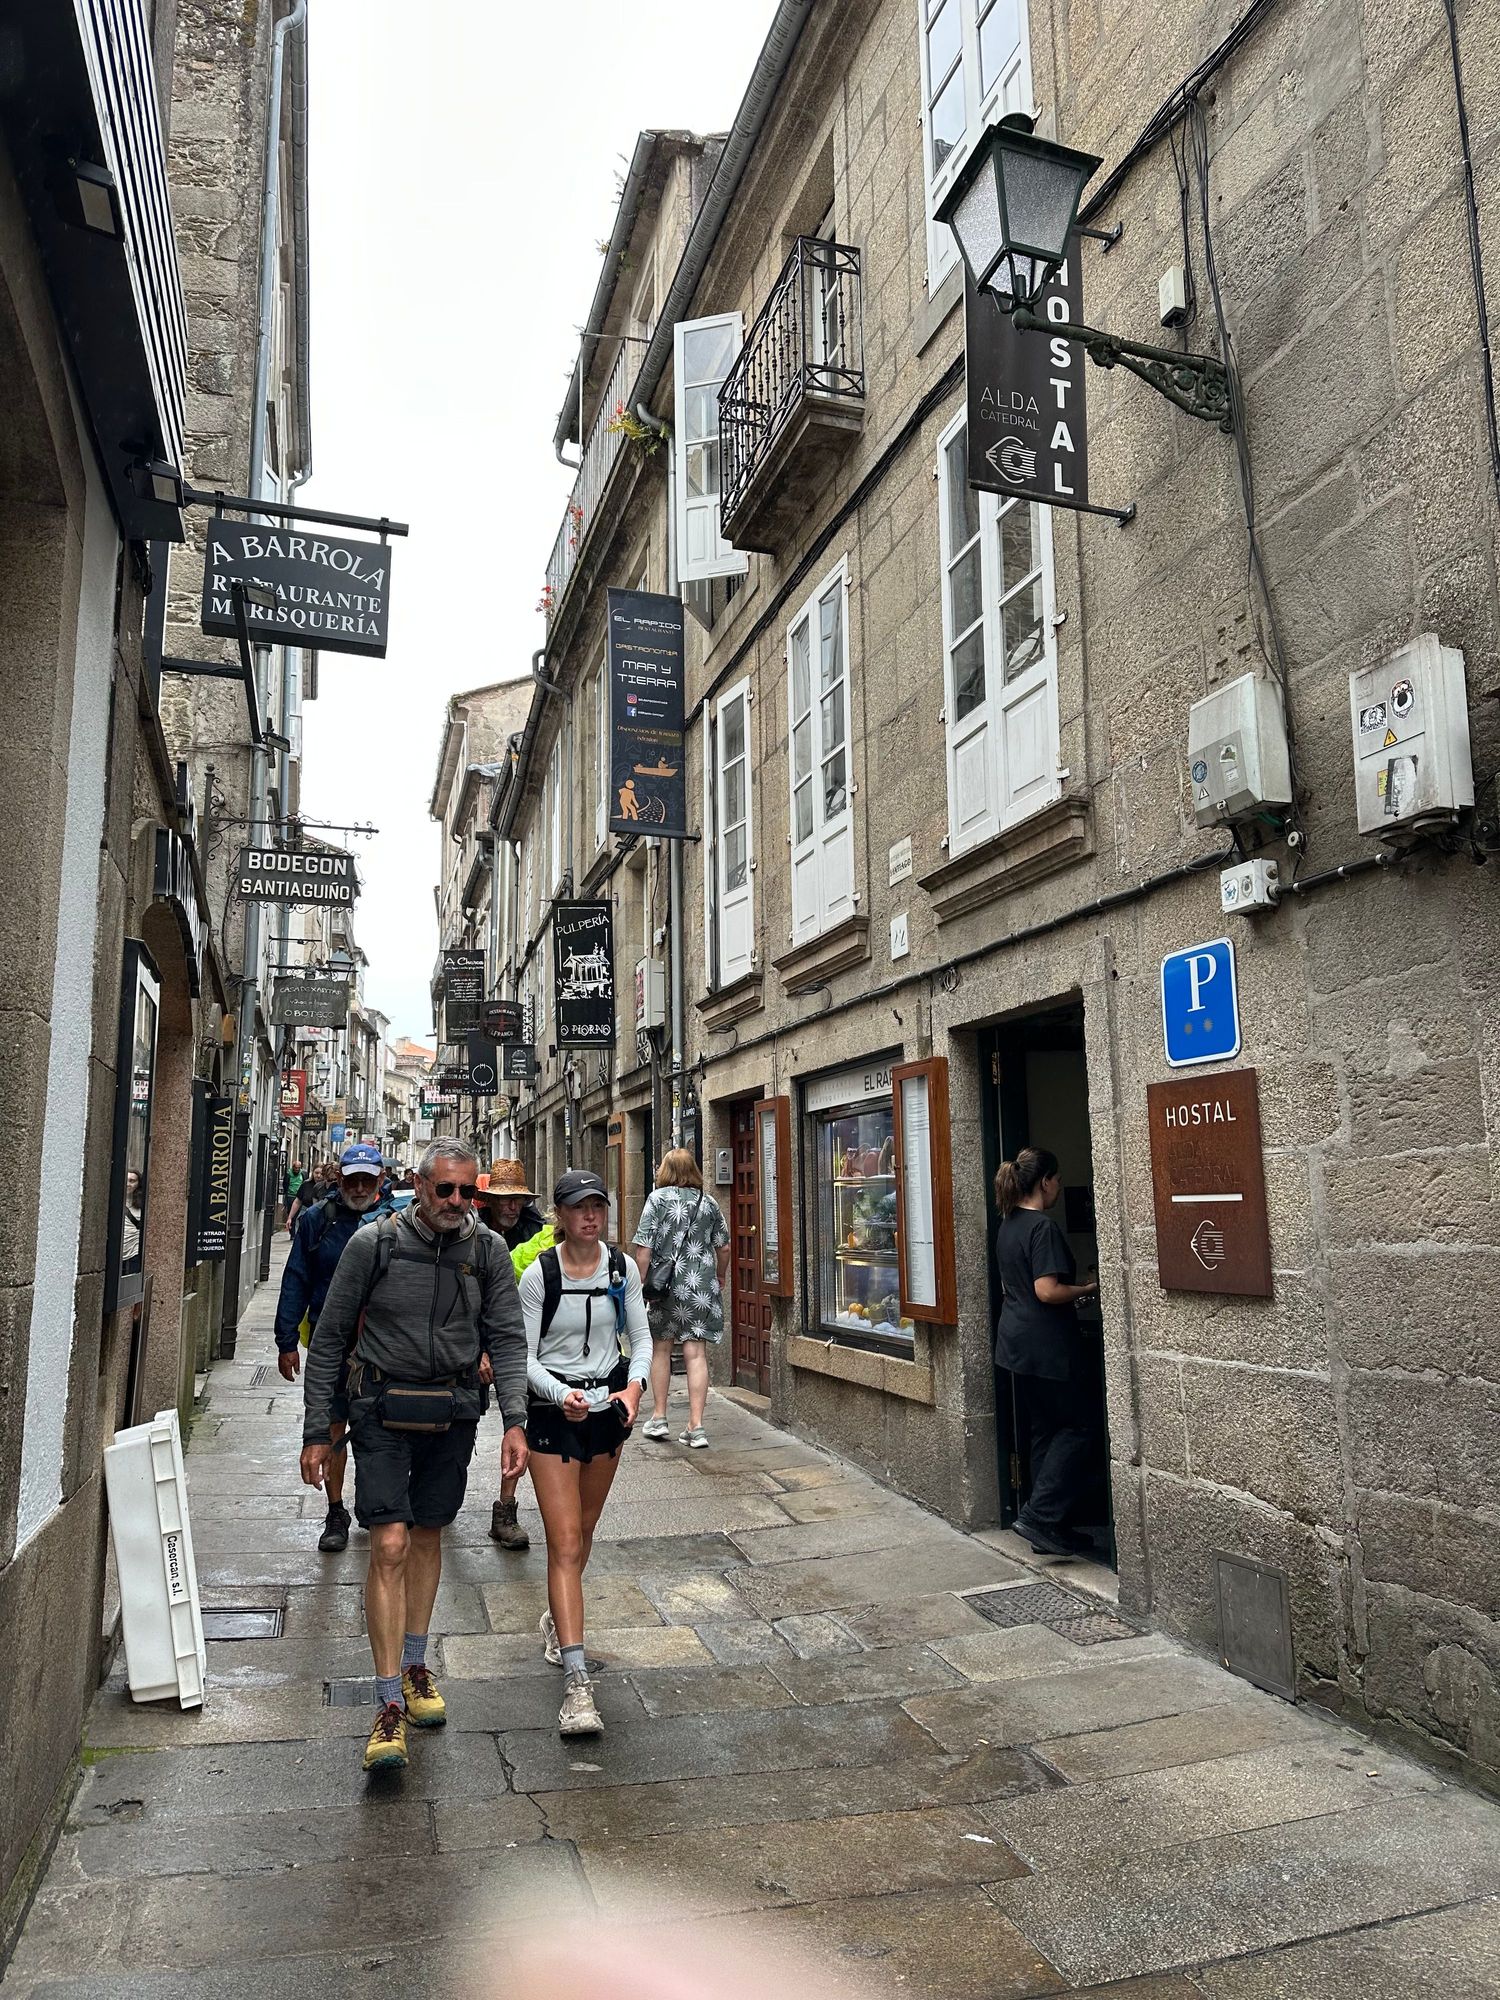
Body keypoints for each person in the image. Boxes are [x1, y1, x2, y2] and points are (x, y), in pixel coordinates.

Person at [300, 1138, 528, 1774]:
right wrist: (318, 1430)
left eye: (466, 1191)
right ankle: (385, 1700)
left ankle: (416, 1665)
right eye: (444, 1189)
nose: (456, 1201)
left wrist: (515, 1422)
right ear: (420, 1187)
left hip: (454, 1409)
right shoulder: (373, 1244)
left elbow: (508, 1338)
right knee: (390, 1542)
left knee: (428, 1535)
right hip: (380, 1408)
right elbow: (330, 1338)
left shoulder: (487, 1251)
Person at [519, 1169, 650, 1737]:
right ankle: (577, 1686)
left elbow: (640, 1338)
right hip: (554, 1412)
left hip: (608, 1408)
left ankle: (558, 1617)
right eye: (578, 1207)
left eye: (597, 1205)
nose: (590, 1216)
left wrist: (634, 1388)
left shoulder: (621, 1269)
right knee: (566, 1540)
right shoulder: (539, 1276)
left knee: (586, 1529)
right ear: (561, 1215)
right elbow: (522, 1356)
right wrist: (559, 1394)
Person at [275, 1141, 396, 1552]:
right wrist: (286, 1339)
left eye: (367, 1180)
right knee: (333, 1425)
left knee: (381, 1426)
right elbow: (296, 1278)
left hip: (383, 1344)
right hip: (332, 1343)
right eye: (352, 1180)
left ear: (380, 1179)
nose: (359, 1188)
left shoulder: (398, 1220)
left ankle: (375, 1501)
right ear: (340, 1179)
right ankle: (335, 1509)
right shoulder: (317, 1220)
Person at [992, 1146, 1103, 1559]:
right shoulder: (1042, 1227)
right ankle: (1041, 1516)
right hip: (1046, 1346)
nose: (1058, 1186)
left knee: (1044, 1431)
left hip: (1016, 1344)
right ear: (1045, 1182)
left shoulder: (1008, 1224)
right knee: (1079, 1428)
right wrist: (1088, 1289)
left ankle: (1048, 1528)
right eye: (1056, 1180)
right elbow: (1046, 1290)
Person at [632, 1149, 730, 1448]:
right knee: (696, 1353)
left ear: (664, 1171)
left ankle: (659, 1417)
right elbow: (724, 1247)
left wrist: (639, 1283)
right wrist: (721, 1275)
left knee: (661, 1349)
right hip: (700, 1286)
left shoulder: (657, 1199)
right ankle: (696, 1427)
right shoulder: (708, 1202)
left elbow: (644, 1248)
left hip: (665, 1287)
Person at [474, 1158, 547, 1551]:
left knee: (518, 1424)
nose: (511, 1206)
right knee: (461, 1427)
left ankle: (505, 1511)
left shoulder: (537, 1233)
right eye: (504, 1199)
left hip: (526, 1345)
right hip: (477, 1342)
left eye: (517, 1198)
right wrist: (479, 1349)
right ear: (489, 1200)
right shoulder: (471, 1233)